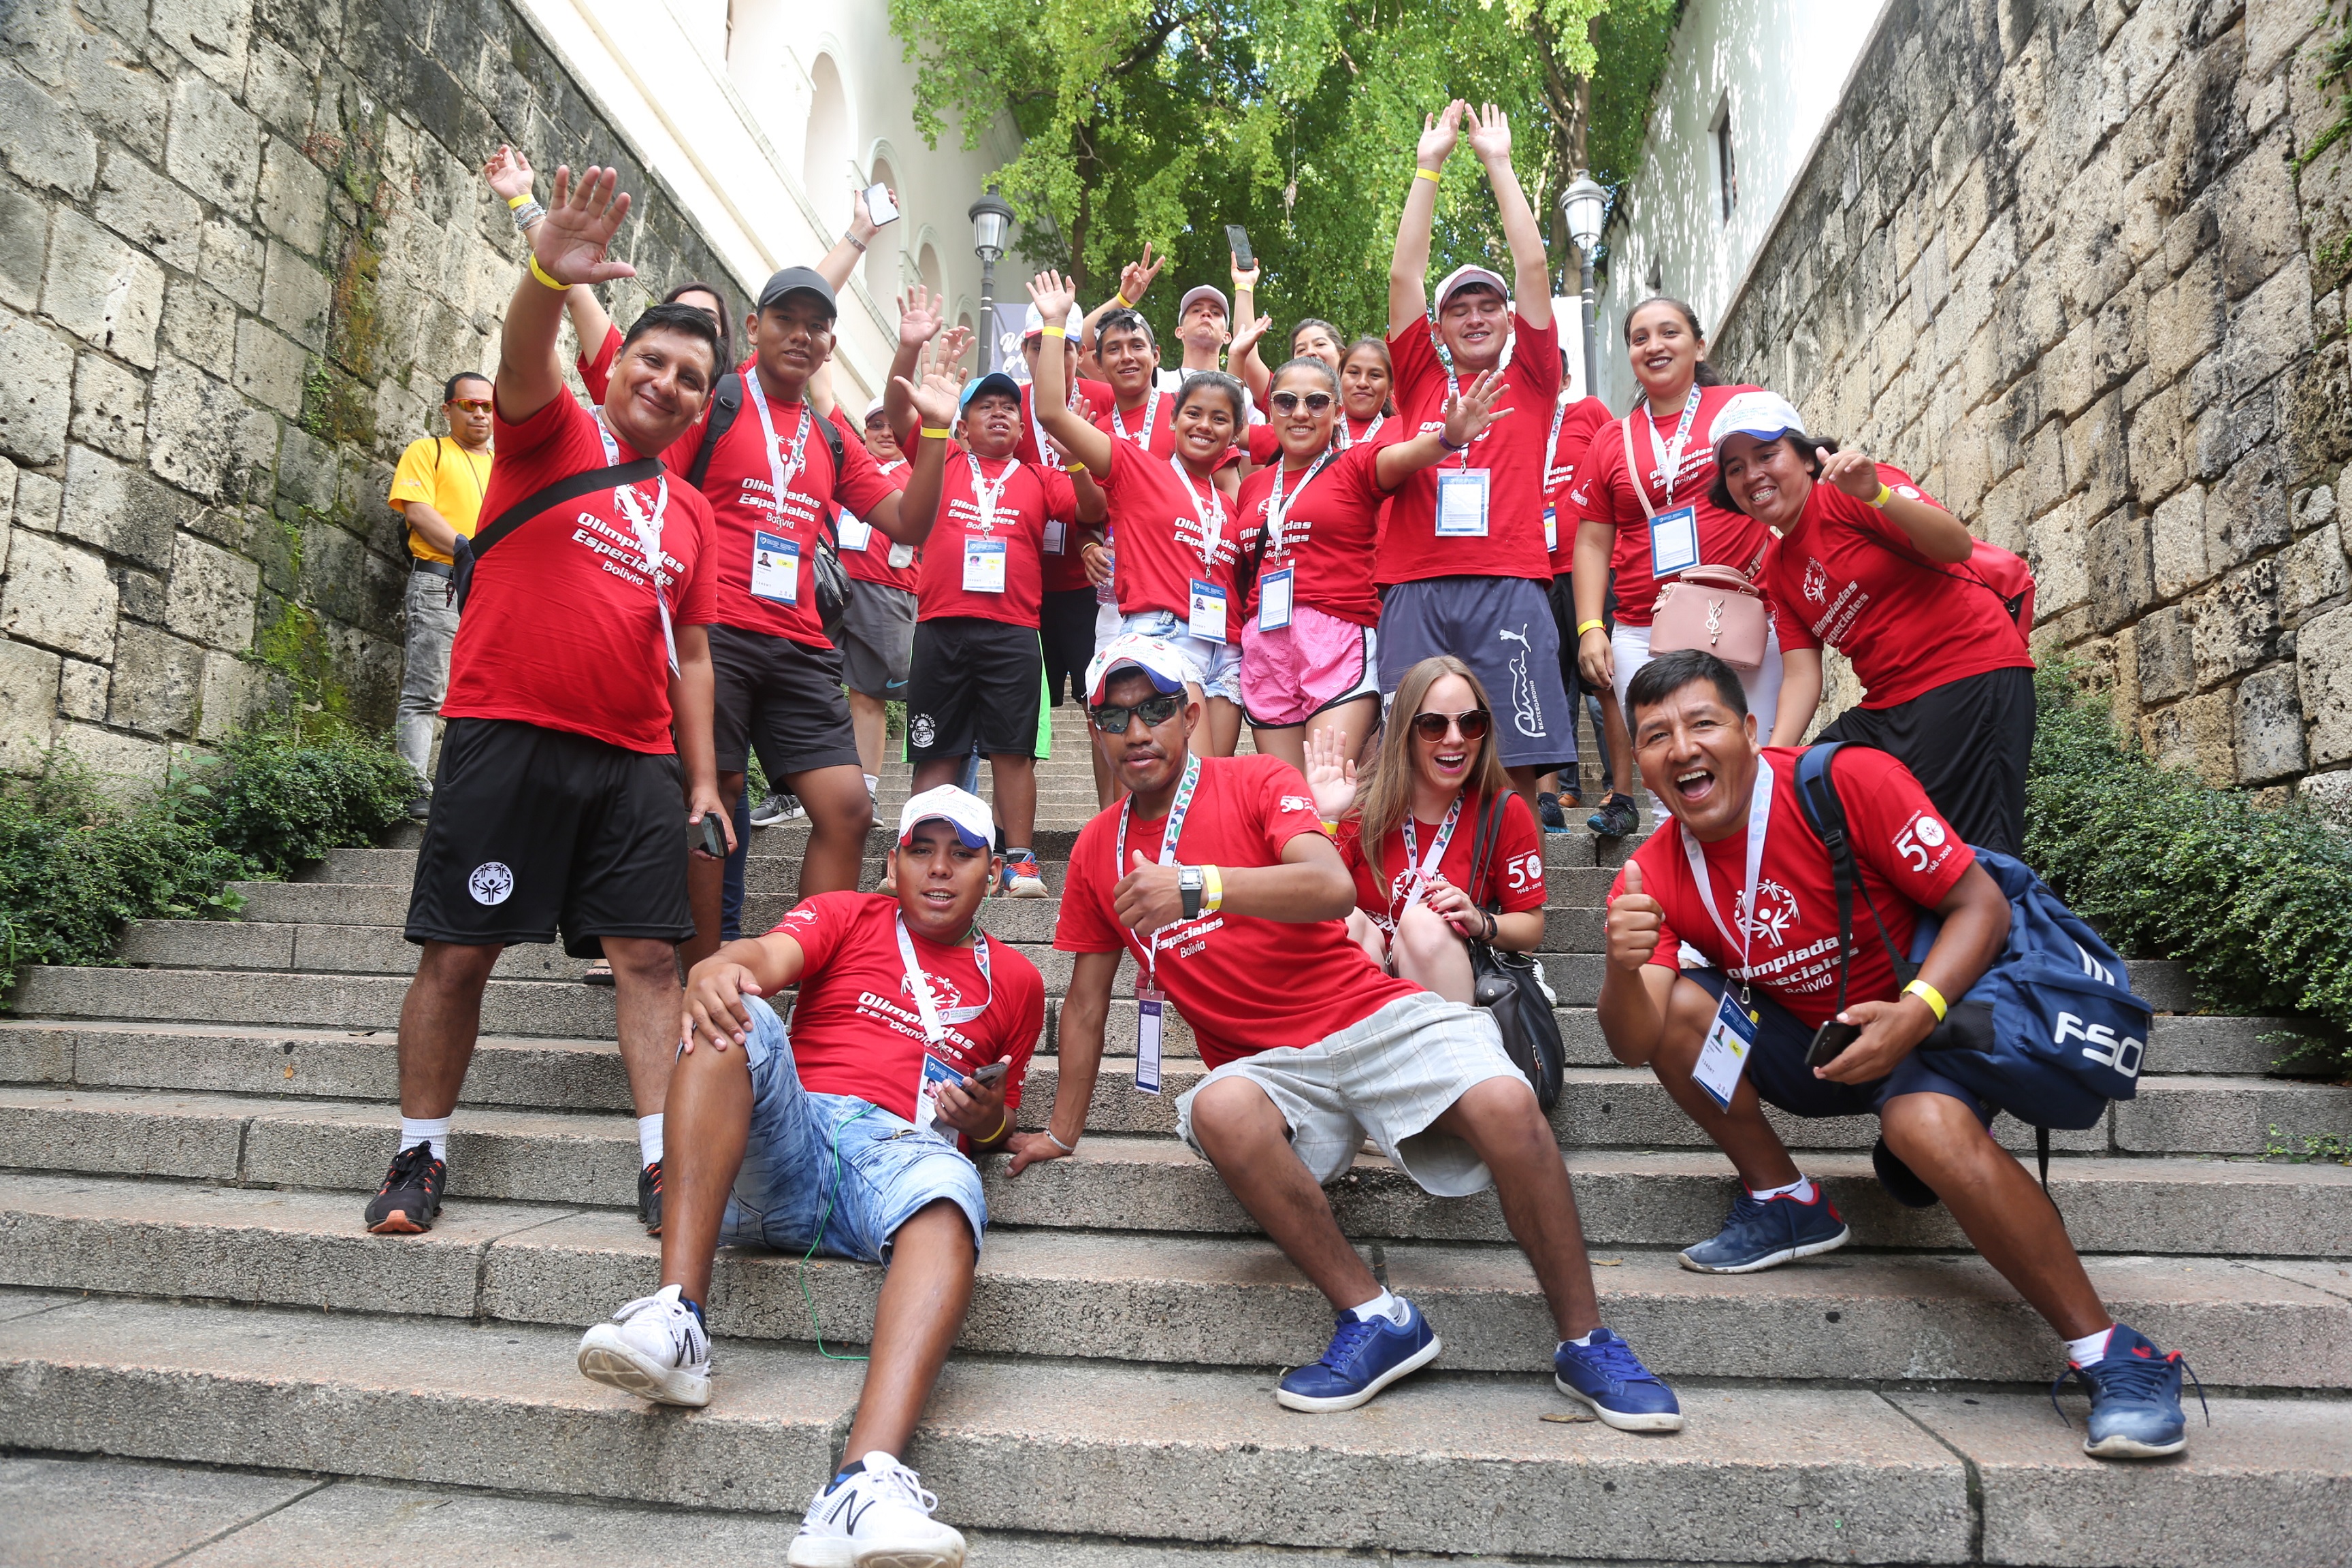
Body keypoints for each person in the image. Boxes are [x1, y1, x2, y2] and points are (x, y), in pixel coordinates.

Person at [1011, 633, 1680, 1426]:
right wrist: (1061, 1129)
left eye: (1156, 708)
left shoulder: (1256, 777)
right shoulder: (1095, 849)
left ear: (1192, 715)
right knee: (1220, 1110)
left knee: (1506, 1102)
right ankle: (1376, 1317)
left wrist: (1199, 886)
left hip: (1368, 1013)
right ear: (1094, 729)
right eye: (1114, 715)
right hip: (1267, 1070)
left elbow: (1331, 886)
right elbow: (1086, 1003)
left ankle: (1586, 1338)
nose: (1136, 730)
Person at [1598, 649, 2199, 1459]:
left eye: (1703, 723)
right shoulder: (1649, 872)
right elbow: (1635, 1045)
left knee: (1923, 1129)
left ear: (1748, 729)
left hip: (1932, 1018)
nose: (1682, 749)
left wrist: (1917, 1013)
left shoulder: (1844, 783)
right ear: (1639, 763)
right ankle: (1785, 1201)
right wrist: (1621, 966)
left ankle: (2116, 1354)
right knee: (1676, 1011)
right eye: (1656, 736)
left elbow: (1978, 904)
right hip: (1816, 1048)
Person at [367, 167, 730, 1242]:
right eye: (653, 362)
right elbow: (523, 357)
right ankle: (419, 1153)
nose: (666, 383)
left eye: (691, 379)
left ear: (705, 409)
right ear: (613, 368)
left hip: (632, 759)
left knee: (654, 959)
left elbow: (696, 654)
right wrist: (543, 271)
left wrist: (704, 778)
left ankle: (665, 1164)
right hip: (506, 731)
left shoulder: (694, 515)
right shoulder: (552, 432)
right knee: (459, 951)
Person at [580, 785, 1043, 1567]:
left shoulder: (1020, 983)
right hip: (791, 1134)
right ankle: (679, 1318)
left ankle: (860, 1486)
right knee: (737, 1015)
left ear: (993, 874)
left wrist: (984, 1121)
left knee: (954, 1191)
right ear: (891, 863)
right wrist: (721, 967)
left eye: (962, 855)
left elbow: (1000, 1127)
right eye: (920, 851)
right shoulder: (847, 914)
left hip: (903, 1159)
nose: (938, 870)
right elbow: (764, 960)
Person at [662, 265, 945, 972]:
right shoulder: (714, 401)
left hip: (800, 643)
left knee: (848, 809)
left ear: (829, 345)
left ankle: (806, 978)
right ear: (753, 329)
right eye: (785, 319)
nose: (801, 334)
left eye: (816, 325)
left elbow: (910, 518)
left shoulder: (833, 436)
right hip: (713, 630)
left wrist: (936, 431)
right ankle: (701, 977)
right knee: (717, 799)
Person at [1710, 393, 2038, 855]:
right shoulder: (1780, 568)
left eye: (1766, 455)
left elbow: (1956, 545)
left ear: (1806, 458)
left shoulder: (1852, 493)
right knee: (1809, 782)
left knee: (1976, 860)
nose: (1753, 475)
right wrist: (1771, 759)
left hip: (1969, 676)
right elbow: (1803, 674)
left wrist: (1876, 495)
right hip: (1891, 706)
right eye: (1736, 468)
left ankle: (2026, 928)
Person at [1381, 102, 1575, 803]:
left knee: (1515, 759)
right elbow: (1404, 277)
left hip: (1508, 581)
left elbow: (1532, 263)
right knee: (1410, 752)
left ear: (1506, 317)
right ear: (1439, 326)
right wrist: (1427, 166)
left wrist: (1498, 162)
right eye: (1459, 309)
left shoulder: (1532, 377)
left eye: (1487, 306)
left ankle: (1516, 898)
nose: (1474, 317)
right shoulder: (1420, 380)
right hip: (1417, 582)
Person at [881, 308, 1102, 898]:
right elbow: (901, 412)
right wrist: (909, 353)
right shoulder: (942, 460)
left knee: (1013, 751)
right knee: (936, 749)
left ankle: (1022, 860)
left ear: (1023, 426)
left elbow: (1092, 508)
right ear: (962, 423)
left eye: (1010, 406)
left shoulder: (1037, 477)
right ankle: (918, 851)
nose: (1001, 412)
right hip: (941, 628)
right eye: (986, 405)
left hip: (1011, 631)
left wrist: (1074, 454)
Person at [1234, 356, 1505, 769]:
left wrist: (1448, 438)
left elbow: (1407, 455)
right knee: (1288, 796)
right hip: (1265, 642)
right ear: (1270, 409)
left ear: (1338, 411)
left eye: (1317, 402)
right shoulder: (1252, 485)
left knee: (1328, 785)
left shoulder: (1355, 464)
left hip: (1335, 637)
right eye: (1286, 402)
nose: (1301, 413)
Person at [1569, 297, 1813, 746]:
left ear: (1699, 347)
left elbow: (1794, 482)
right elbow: (1591, 544)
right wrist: (1589, 628)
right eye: (1639, 339)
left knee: (1754, 758)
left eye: (1669, 332)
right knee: (1671, 772)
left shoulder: (1742, 406)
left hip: (1747, 612)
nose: (1654, 346)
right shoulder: (1609, 440)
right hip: (1644, 631)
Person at [1030, 271, 1254, 758]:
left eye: (1219, 419)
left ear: (1235, 433)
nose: (1204, 426)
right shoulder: (1136, 468)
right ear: (1173, 418)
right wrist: (1054, 325)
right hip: (1165, 637)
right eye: (1193, 414)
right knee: (1189, 783)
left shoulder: (1234, 505)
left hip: (1227, 651)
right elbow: (1051, 411)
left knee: (1214, 787)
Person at [1312, 656, 1546, 1001]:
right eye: (1434, 725)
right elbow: (1314, 903)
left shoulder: (1503, 810)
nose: (1455, 739)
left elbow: (1531, 926)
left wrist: (1479, 921)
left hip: (1444, 973)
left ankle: (1452, 1051)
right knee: (1351, 923)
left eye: (1471, 723)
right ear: (1406, 732)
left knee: (1424, 925)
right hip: (1366, 976)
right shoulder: (1359, 805)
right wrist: (1327, 819)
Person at [483, 146, 750, 404]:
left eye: (706, 318)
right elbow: (568, 279)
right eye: (677, 311)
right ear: (617, 362)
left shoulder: (739, 412)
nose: (664, 385)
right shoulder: (630, 374)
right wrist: (522, 200)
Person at [386, 372, 495, 816]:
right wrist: (464, 549)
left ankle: (464, 789)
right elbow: (417, 510)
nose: (481, 414)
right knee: (428, 688)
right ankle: (412, 788)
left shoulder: (506, 466)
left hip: (492, 590)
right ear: (448, 409)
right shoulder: (427, 452)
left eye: (489, 406)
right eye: (470, 405)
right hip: (441, 581)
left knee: (483, 696)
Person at [1537, 376, 1639, 836]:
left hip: (1590, 567)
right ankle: (1556, 792)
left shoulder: (1590, 413)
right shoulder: (1515, 422)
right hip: (1536, 572)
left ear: (1563, 378)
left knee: (1601, 681)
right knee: (1548, 683)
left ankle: (1621, 788)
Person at [1016, 300, 1113, 713]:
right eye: (1038, 347)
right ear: (1024, 353)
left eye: (1065, 348)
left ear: (1080, 353)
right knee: (1026, 713)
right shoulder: (1006, 404)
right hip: (1022, 582)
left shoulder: (1105, 400)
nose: (1051, 356)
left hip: (1085, 584)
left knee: (1100, 705)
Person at [832, 393, 919, 804]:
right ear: (862, 431)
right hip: (829, 581)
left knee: (868, 693)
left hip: (888, 588)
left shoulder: (920, 469)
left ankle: (865, 792)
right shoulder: (846, 462)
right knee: (816, 685)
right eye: (875, 425)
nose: (886, 433)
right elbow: (822, 396)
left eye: (893, 425)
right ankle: (804, 785)